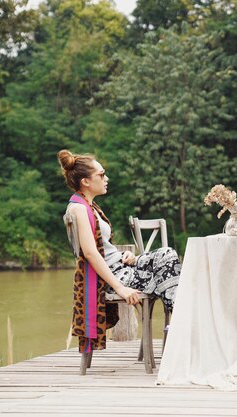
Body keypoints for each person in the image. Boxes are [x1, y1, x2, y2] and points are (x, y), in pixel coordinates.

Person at [57, 149, 180, 353]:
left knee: (167, 254)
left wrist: (126, 257)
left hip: (121, 267)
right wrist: (120, 288)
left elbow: (103, 248)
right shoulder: (78, 209)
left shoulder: (90, 206)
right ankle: (179, 326)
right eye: (101, 174)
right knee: (170, 269)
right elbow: (90, 253)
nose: (107, 178)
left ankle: (178, 324)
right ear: (86, 181)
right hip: (113, 277)